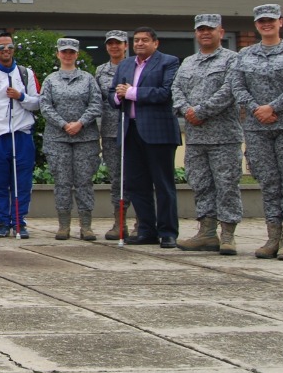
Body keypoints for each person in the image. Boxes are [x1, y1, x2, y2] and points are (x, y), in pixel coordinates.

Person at [229, 4, 283, 261]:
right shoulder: (245, 55)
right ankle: (273, 237)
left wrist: (273, 108)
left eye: (271, 20)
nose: (266, 24)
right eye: (262, 21)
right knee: (269, 183)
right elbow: (237, 86)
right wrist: (257, 109)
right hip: (257, 127)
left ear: (280, 22)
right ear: (256, 25)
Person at [173, 14, 243, 255]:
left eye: (210, 29)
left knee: (227, 185)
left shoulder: (233, 60)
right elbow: (176, 89)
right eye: (201, 29)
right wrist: (186, 110)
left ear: (221, 32)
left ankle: (228, 235)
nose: (205, 33)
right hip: (196, 137)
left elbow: (230, 90)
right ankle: (207, 233)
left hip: (224, 136)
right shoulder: (188, 62)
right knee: (201, 184)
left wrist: (201, 111)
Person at [110, 27, 182, 248]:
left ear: (155, 43)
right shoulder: (125, 64)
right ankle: (146, 230)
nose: (139, 44)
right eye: (136, 40)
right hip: (130, 131)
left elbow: (165, 92)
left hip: (158, 133)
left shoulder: (169, 62)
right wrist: (118, 96)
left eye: (145, 40)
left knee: (163, 184)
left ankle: (168, 231)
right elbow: (112, 94)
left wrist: (131, 92)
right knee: (136, 184)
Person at [0, 32, 42, 238]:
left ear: (14, 49)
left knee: (22, 182)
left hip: (21, 135)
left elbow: (38, 103)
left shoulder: (26, 74)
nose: (6, 51)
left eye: (9, 47)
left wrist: (20, 96)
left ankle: (19, 221)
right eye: (1, 47)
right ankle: (3, 222)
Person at [39, 39, 102, 242]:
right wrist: (64, 124)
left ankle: (86, 226)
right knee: (62, 183)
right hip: (58, 139)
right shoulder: (50, 80)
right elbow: (45, 107)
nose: (67, 55)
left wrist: (80, 123)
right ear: (58, 54)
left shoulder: (88, 79)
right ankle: (63, 225)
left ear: (77, 54)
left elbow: (96, 104)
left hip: (85, 139)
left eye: (71, 52)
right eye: (64, 52)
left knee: (84, 182)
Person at [95, 31, 132, 239]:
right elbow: (96, 100)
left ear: (125, 46)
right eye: (110, 44)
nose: (114, 47)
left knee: (137, 177)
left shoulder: (136, 66)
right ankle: (120, 222)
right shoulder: (101, 71)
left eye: (118, 43)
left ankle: (142, 221)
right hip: (111, 131)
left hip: (135, 129)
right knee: (116, 177)